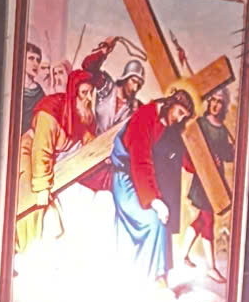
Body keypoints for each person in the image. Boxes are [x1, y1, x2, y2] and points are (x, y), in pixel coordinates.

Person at [110, 89, 194, 286]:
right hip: (126, 180)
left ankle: (159, 276)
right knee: (153, 221)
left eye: (184, 116)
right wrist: (154, 201)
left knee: (161, 221)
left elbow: (179, 154)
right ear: (170, 104)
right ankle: (152, 278)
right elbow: (140, 161)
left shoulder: (167, 125)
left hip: (142, 183)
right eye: (180, 112)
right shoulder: (145, 116)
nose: (180, 119)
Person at [16, 69, 99, 252]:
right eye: (84, 93)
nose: (88, 98)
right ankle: (25, 250)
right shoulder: (51, 109)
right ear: (74, 93)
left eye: (91, 93)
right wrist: (42, 186)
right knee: (31, 202)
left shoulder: (82, 113)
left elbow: (88, 139)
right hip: (30, 154)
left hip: (52, 163)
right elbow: (41, 148)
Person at [181, 88, 235, 282]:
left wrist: (230, 150)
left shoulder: (222, 130)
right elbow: (191, 144)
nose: (215, 105)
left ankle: (182, 254)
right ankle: (211, 267)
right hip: (203, 179)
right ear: (209, 102)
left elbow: (227, 155)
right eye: (213, 100)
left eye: (219, 102)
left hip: (215, 181)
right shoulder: (201, 124)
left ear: (223, 106)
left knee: (202, 220)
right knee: (208, 220)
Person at [21, 42, 45, 134]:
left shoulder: (39, 91)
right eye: (31, 58)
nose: (36, 64)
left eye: (38, 60)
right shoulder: (14, 89)